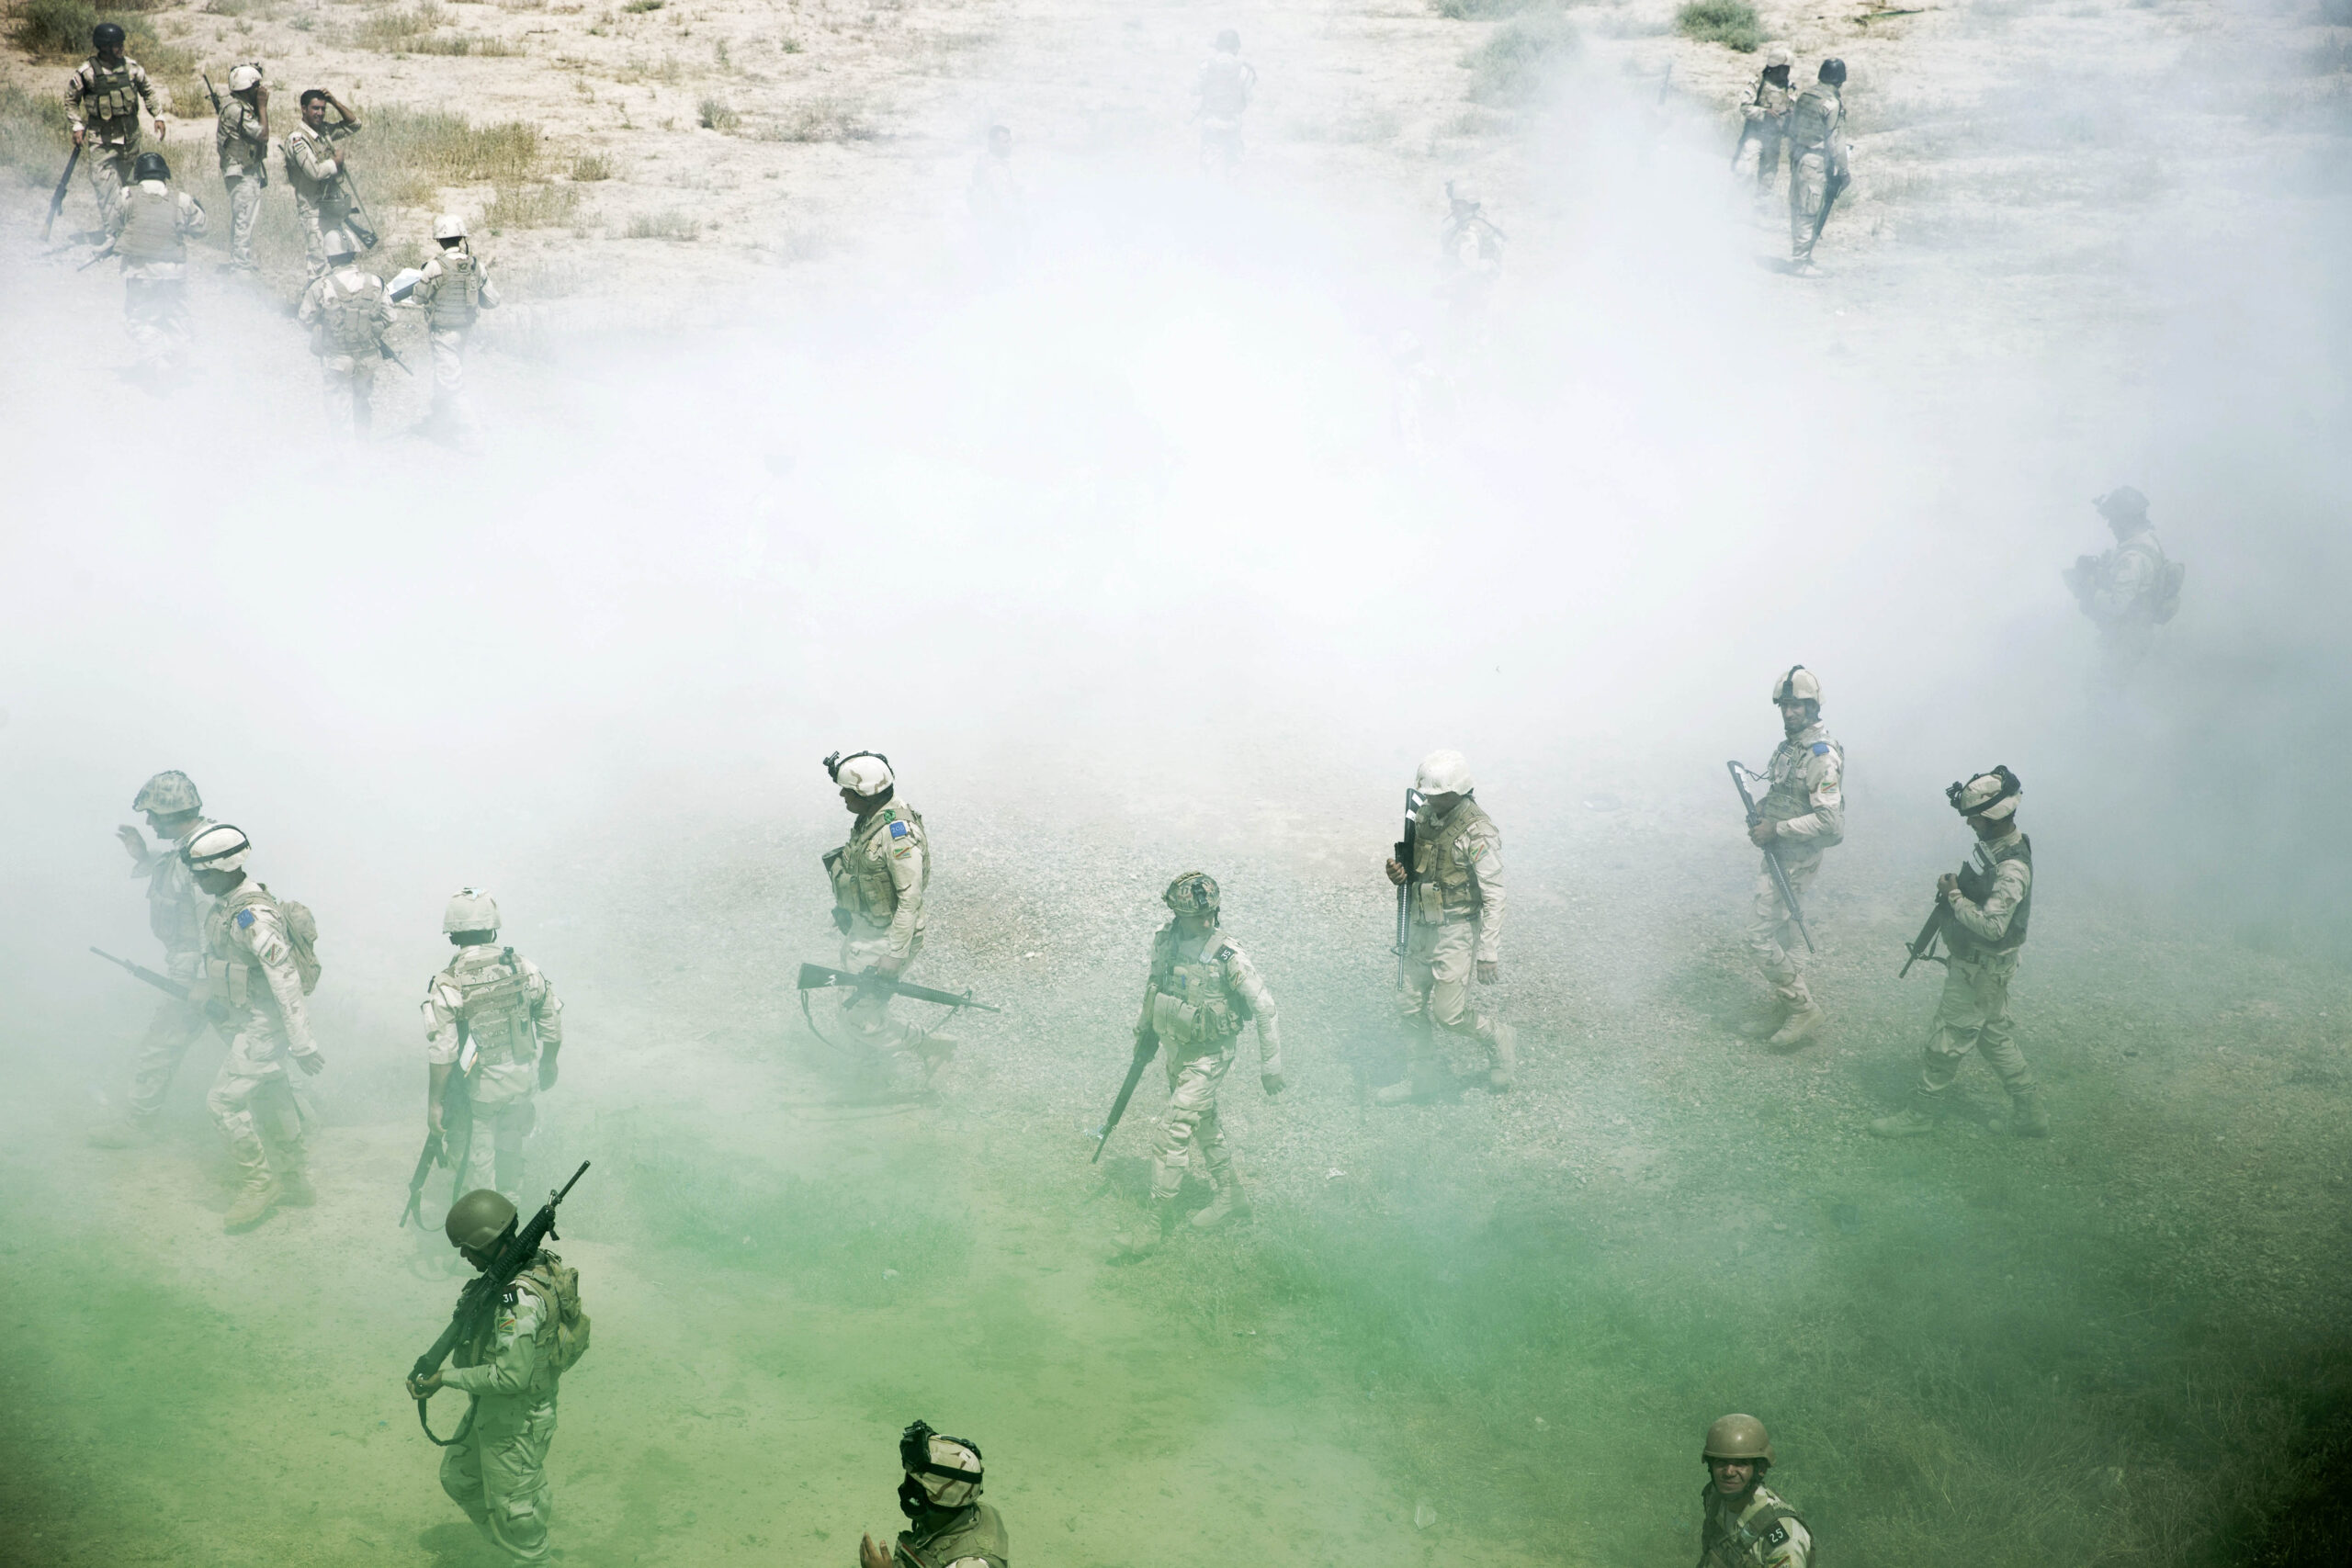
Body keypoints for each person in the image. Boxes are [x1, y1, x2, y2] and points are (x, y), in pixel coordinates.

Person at [409, 1189, 587, 1564]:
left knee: (519, 1518)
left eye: (468, 1247)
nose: (463, 1255)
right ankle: (512, 1555)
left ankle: (530, 1557)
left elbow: (510, 1378)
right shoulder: (516, 1275)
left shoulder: (519, 1298)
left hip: (518, 1421)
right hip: (493, 1412)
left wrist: (445, 1378)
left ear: (490, 1242)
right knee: (460, 1477)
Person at [1871, 767, 2048, 1138]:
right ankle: (2030, 1114)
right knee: (1994, 1037)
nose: (1971, 824)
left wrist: (1954, 896)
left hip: (1979, 970)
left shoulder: (2011, 866)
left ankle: (1921, 1114)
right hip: (1988, 968)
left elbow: (1993, 926)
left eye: (1976, 818)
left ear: (1994, 817)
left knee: (1946, 1041)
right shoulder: (2002, 849)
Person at [1114, 873, 1283, 1256]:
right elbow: (1154, 984)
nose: (1206, 922)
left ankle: (1151, 1226)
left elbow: (1265, 1007)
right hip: (1178, 1048)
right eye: (1197, 917)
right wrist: (1145, 1029)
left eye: (1211, 914)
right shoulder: (1166, 942)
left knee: (1172, 1131)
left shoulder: (1226, 953)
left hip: (1211, 1055)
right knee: (1205, 1125)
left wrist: (1270, 1067)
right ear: (1176, 914)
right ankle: (1231, 1196)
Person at [185, 823, 326, 1230]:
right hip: (245, 1019)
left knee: (223, 1103)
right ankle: (295, 1180)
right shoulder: (227, 905)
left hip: (264, 1026)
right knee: (271, 1095)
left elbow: (285, 978)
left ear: (227, 868)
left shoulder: (254, 915)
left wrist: (302, 1043)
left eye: (204, 873)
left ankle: (259, 1183)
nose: (199, 881)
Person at [1379, 749, 1513, 1102]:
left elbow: (1494, 894)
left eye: (1437, 795)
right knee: (1407, 1004)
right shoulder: (1423, 816)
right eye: (1428, 794)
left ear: (1458, 791)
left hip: (1455, 931)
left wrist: (1488, 952)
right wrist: (1399, 875)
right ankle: (1422, 1079)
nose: (1430, 800)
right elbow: (1416, 871)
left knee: (1449, 1015)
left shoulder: (1478, 831)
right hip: (1421, 925)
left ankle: (1497, 1038)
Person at [90, 772, 215, 1147]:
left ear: (173, 811)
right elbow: (170, 868)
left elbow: (214, 916)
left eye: (154, 815)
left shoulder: (204, 854)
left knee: (161, 1045)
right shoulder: (188, 848)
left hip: (198, 970)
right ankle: (304, 1114)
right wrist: (143, 855)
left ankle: (138, 1124)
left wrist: (206, 978)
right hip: (195, 969)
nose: (149, 822)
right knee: (248, 1045)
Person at [424, 888, 564, 1206]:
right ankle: (512, 1224)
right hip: (520, 1087)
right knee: (511, 1159)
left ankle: (489, 1242)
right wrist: (548, 1063)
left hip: (479, 1096)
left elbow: (443, 1052)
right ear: (493, 930)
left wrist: (435, 1104)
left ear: (452, 937)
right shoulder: (522, 967)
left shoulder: (449, 982)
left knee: (478, 1176)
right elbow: (550, 1018)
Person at [821, 750, 954, 1082]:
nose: (842, 796)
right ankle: (872, 1070)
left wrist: (894, 956)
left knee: (861, 1019)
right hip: (867, 929)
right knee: (856, 1004)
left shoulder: (897, 834)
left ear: (865, 793)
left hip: (888, 936)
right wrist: (847, 908)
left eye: (847, 791)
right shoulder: (870, 818)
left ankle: (929, 1046)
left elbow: (910, 900)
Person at [1738, 666, 1844, 1048]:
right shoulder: (1790, 747)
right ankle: (1784, 1007)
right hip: (1778, 853)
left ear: (1813, 706)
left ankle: (1802, 1008)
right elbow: (1785, 794)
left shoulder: (1821, 755)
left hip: (1796, 857)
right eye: (1784, 705)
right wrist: (1764, 811)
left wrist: (1777, 829)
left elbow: (1831, 823)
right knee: (1781, 933)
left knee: (1758, 936)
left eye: (1797, 705)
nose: (1789, 713)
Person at [2064, 486, 2177, 689]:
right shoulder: (2146, 542)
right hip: (2134, 635)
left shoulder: (2132, 559)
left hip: (2126, 640)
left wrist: (2090, 589)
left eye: (2113, 520)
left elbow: (2117, 605)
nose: (2110, 525)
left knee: (2103, 691)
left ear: (2125, 520)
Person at [105, 150, 207, 377]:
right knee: (176, 316)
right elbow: (201, 228)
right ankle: (177, 360)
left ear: (139, 175)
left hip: (142, 272)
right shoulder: (182, 199)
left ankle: (157, 361)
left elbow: (113, 223)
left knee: (139, 318)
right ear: (164, 174)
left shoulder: (127, 195)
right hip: (174, 273)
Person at [407, 213, 501, 449]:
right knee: (448, 375)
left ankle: (475, 435)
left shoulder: (434, 267)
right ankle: (442, 423)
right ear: (461, 238)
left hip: (443, 333)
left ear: (438, 241)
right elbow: (492, 301)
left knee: (451, 383)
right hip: (464, 331)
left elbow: (418, 297)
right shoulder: (476, 265)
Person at [858, 1421, 1009, 1568]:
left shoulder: (969, 1564)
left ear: (943, 1498)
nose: (904, 1489)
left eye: (915, 1487)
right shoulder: (975, 1512)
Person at [65, 22, 167, 232]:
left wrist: (158, 115)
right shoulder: (87, 73)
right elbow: (71, 100)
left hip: (129, 140)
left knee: (130, 187)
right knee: (105, 188)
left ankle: (131, 232)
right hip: (101, 141)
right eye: (116, 45)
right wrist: (77, 125)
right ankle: (113, 235)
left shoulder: (131, 68)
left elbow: (147, 91)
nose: (121, 48)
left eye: (122, 44)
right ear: (104, 46)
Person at [298, 226, 394, 438]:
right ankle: (363, 447)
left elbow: (305, 319)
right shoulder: (376, 282)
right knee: (362, 402)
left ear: (330, 258)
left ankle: (346, 461)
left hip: (337, 358)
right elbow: (390, 317)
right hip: (367, 357)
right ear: (354, 254)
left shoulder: (321, 286)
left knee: (339, 410)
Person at [1698, 1415, 1813, 1568]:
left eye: (1741, 1464)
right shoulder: (1714, 1499)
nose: (1729, 1472)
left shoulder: (1784, 1537)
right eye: (1721, 1462)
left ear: (1760, 1469)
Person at [281, 87, 363, 280]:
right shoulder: (298, 139)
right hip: (312, 209)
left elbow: (354, 125)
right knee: (319, 261)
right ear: (303, 109)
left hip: (330, 206)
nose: (319, 113)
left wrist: (335, 102)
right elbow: (314, 172)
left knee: (337, 256)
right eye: (315, 108)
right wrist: (335, 162)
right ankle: (315, 302)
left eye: (323, 109)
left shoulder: (324, 131)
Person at [1785, 59, 1848, 270]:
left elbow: (1792, 127)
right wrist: (1844, 170)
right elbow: (1835, 142)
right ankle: (1800, 263)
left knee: (1799, 207)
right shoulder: (1831, 103)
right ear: (1840, 80)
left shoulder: (1805, 96)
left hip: (1797, 154)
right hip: (1815, 160)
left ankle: (1801, 257)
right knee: (1809, 210)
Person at [213, 63, 268, 274]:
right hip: (241, 173)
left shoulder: (235, 106)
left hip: (240, 170)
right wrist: (263, 107)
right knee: (245, 219)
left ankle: (239, 261)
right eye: (257, 88)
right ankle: (241, 266)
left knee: (241, 218)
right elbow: (262, 134)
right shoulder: (238, 109)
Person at [1439, 180, 1503, 351]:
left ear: (1467, 204)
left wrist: (1442, 286)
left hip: (1470, 300)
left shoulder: (1470, 231)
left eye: (1456, 203)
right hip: (1478, 298)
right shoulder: (1481, 224)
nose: (1452, 206)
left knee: (1464, 346)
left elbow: (1468, 269)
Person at [1193, 29, 1256, 178]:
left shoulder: (1205, 66)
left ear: (1218, 46)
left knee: (1207, 160)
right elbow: (1249, 98)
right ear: (1237, 48)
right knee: (1235, 162)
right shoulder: (1245, 70)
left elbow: (1195, 89)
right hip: (1233, 121)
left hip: (1210, 120)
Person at [1734, 46, 1796, 193]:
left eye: (1787, 69)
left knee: (1768, 176)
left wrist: (1791, 115)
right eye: (1783, 68)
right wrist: (1764, 112)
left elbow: (1794, 106)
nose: (1786, 72)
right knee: (1745, 171)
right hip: (1755, 135)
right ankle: (1735, 203)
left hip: (1775, 137)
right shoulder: (1758, 82)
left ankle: (1761, 206)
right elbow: (1745, 107)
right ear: (1774, 66)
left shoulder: (1790, 86)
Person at [967, 123, 1023, 277]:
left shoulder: (984, 162)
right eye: (1004, 142)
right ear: (992, 143)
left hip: (988, 225)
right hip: (999, 226)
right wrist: (1022, 218)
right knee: (1006, 270)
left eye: (1009, 141)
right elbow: (1005, 201)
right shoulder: (995, 170)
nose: (1009, 145)